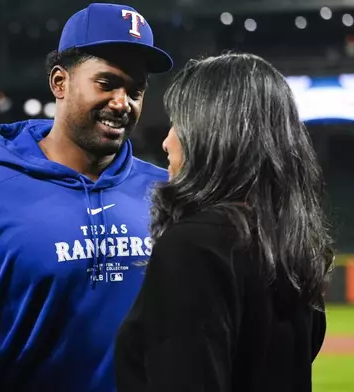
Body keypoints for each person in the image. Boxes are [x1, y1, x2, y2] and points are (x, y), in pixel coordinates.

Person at [0, 3, 173, 391]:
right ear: (59, 82)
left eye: (135, 90)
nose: (121, 102)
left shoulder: (170, 193)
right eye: (107, 83)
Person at [114, 53, 334, 392]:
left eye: (180, 122)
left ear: (211, 134)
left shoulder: (193, 246)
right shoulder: (290, 244)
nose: (167, 141)